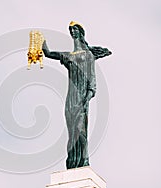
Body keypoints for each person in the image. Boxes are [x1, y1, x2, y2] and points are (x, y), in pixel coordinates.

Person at [42, 21, 111, 169]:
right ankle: (72, 162)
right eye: (70, 30)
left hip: (81, 97)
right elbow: (48, 53)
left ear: (81, 33)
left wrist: (87, 97)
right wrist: (40, 41)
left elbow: (92, 81)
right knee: (72, 130)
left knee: (80, 129)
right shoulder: (69, 56)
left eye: (75, 29)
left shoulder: (88, 55)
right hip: (71, 98)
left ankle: (83, 160)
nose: (72, 32)